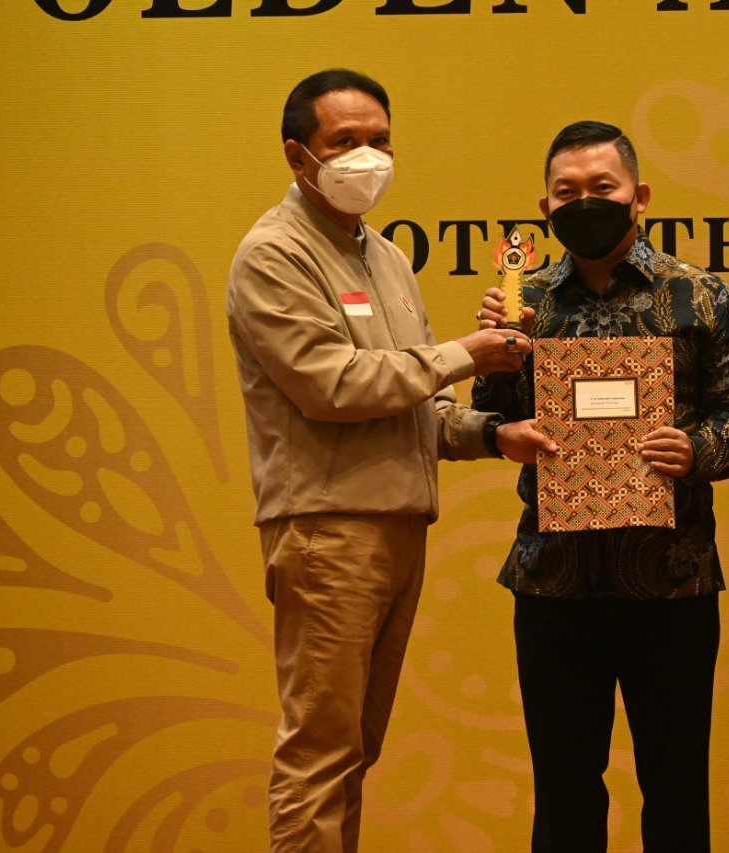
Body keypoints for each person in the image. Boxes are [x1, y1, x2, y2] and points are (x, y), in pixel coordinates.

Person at [225, 68, 548, 852]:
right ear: (299, 155)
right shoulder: (274, 254)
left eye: (380, 141)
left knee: (354, 749)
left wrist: (491, 434)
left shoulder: (387, 258)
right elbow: (332, 384)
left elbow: (413, 400)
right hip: (328, 527)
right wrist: (466, 353)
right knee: (320, 751)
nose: (367, 157)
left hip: (398, 522)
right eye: (345, 142)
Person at [473, 120, 729, 852]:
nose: (584, 202)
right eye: (566, 191)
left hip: (672, 579)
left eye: (602, 187)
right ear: (544, 208)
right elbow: (495, 419)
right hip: (554, 581)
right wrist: (496, 354)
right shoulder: (524, 302)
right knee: (564, 792)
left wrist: (696, 448)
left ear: (640, 197)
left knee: (676, 790)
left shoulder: (701, 295)